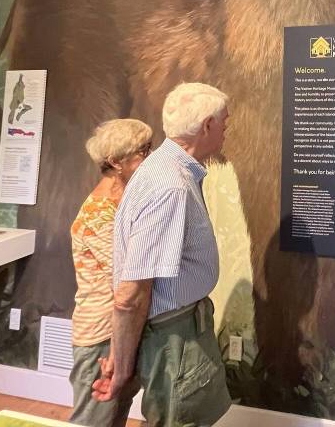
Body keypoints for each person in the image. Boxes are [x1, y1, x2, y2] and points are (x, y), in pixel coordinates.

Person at [93, 83, 232, 427]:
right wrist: (121, 367)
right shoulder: (170, 184)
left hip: (179, 332)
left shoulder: (165, 170)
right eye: (225, 123)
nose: (227, 130)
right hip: (175, 338)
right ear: (207, 126)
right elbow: (130, 295)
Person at [69, 119, 152, 427]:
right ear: (116, 161)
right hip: (103, 334)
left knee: (113, 416)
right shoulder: (99, 214)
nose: (149, 157)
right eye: (142, 151)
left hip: (121, 331)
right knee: (92, 421)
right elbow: (127, 283)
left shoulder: (123, 203)